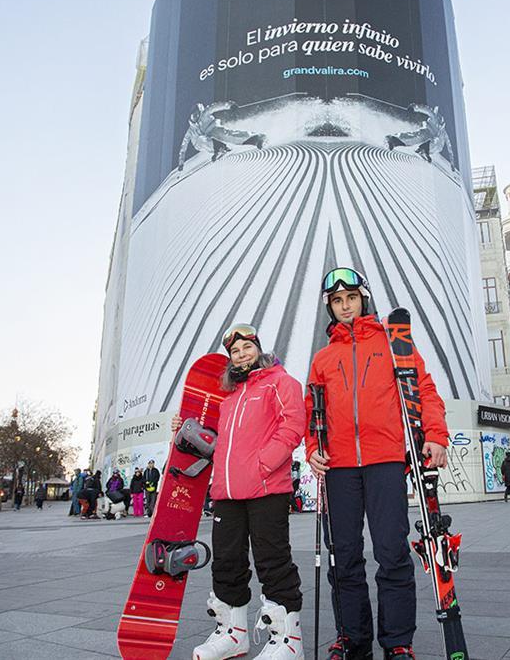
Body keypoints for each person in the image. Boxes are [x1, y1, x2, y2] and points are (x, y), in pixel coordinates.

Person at [305, 267, 448, 660]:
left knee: (392, 552)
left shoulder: (393, 343)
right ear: (329, 309)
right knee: (344, 555)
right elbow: (312, 411)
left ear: (362, 299)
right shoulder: (322, 358)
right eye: (337, 301)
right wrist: (312, 447)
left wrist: (435, 435)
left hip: (385, 461)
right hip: (339, 468)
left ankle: (397, 641)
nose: (345, 306)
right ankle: (353, 638)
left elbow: (425, 390)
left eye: (350, 298)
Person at [175, 322, 305, 660]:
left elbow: (293, 425)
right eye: (235, 351)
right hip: (227, 493)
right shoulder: (229, 398)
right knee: (227, 562)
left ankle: (288, 641)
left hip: (266, 488)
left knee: (272, 560)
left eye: (247, 347)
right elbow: (214, 441)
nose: (242, 354)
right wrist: (184, 429)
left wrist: (264, 463)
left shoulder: (281, 382)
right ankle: (234, 635)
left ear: (258, 348)